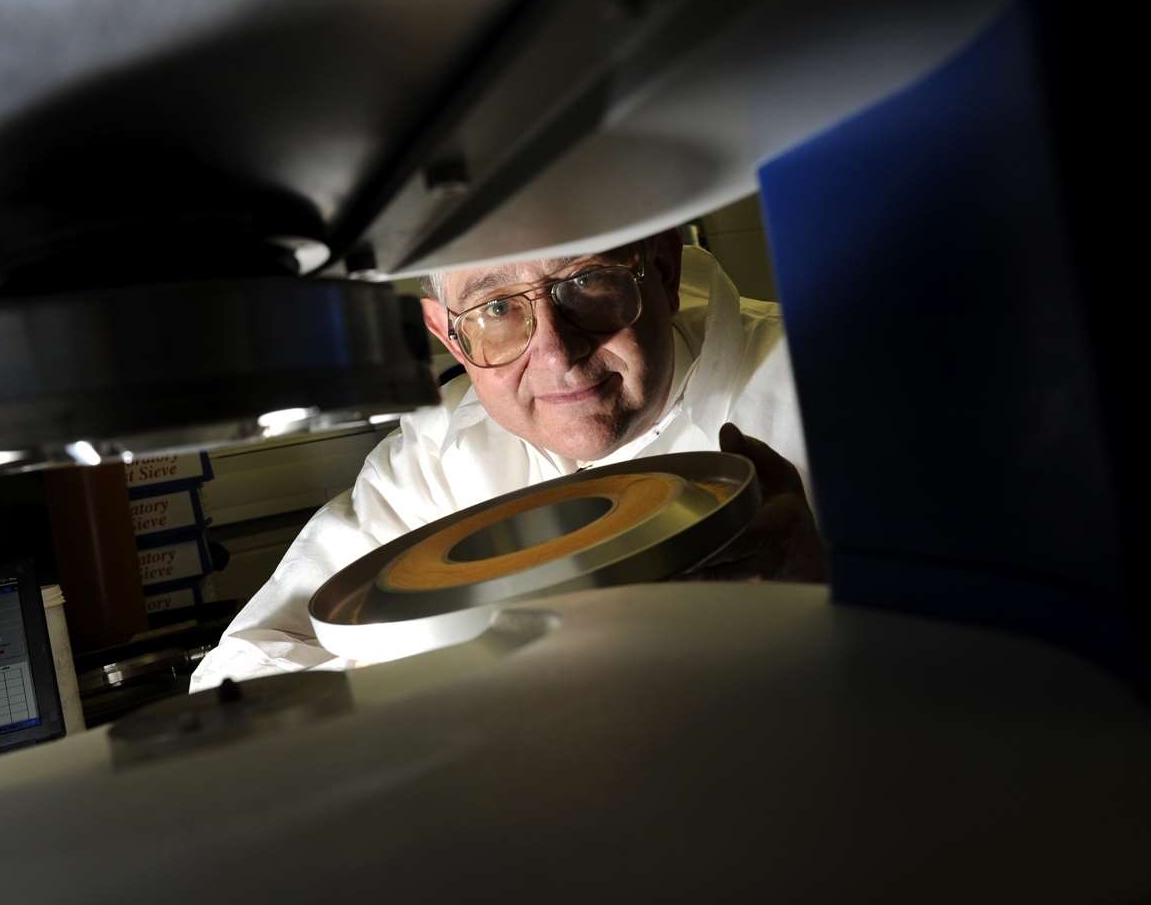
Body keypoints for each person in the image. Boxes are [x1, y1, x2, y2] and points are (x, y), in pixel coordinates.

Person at [189, 229, 822, 691]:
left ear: (661, 267)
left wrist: (827, 593)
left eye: (587, 283)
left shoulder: (825, 384)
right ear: (446, 335)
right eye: (497, 309)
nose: (555, 353)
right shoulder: (429, 465)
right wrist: (457, 663)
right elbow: (239, 679)